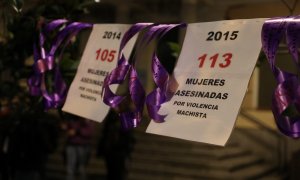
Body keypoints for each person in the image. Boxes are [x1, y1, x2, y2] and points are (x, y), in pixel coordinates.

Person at [97, 109, 135, 180]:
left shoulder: (125, 120)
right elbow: (106, 133)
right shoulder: (111, 118)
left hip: (120, 151)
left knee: (118, 172)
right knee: (111, 172)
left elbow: (129, 137)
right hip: (111, 150)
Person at [61, 115, 94, 180]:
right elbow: (68, 129)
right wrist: (65, 128)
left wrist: (77, 131)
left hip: (82, 146)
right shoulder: (72, 119)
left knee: (81, 168)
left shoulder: (88, 120)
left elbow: (89, 132)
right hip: (71, 144)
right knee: (70, 167)